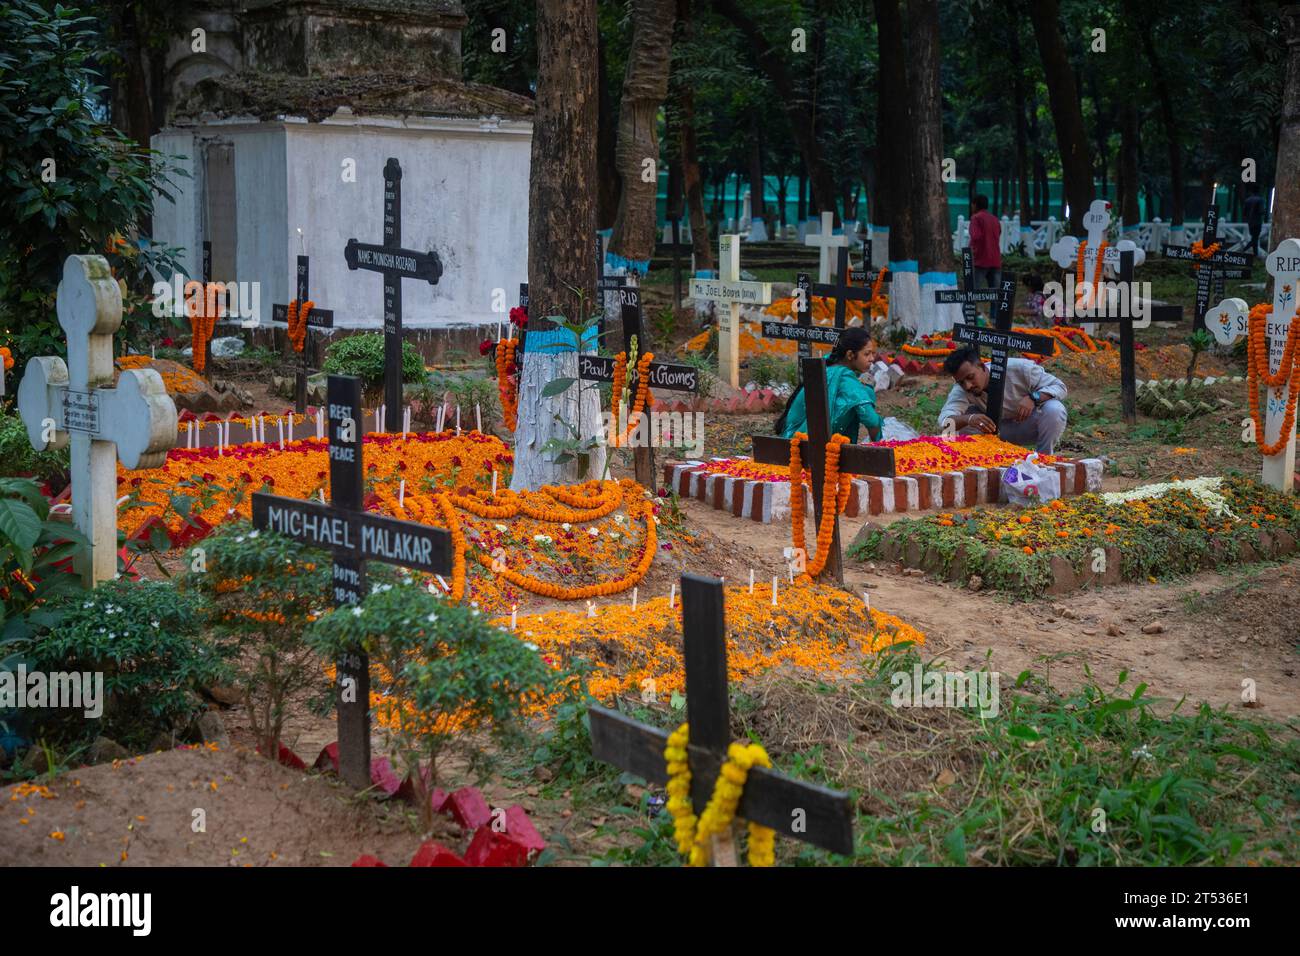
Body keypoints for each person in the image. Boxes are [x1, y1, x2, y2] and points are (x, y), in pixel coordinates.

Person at [938, 344, 1068, 454]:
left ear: (982, 367)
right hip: (994, 431)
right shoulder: (961, 389)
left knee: (1054, 409)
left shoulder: (1019, 368)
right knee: (963, 420)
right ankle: (984, 459)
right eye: (961, 382)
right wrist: (969, 419)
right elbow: (944, 421)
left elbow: (1060, 387)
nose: (967, 385)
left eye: (971, 377)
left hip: (1027, 426)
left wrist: (1033, 397)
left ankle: (1044, 459)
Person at [776, 327, 884, 442]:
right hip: (800, 442)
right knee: (864, 394)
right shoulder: (843, 376)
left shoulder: (828, 363)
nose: (872, 359)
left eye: (873, 353)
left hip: (791, 436)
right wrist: (879, 446)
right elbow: (872, 421)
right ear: (850, 355)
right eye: (866, 354)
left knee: (862, 391)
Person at [968, 194, 1002, 292]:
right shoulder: (995, 219)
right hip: (995, 260)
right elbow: (999, 233)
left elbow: (975, 236)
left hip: (980, 260)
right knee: (995, 294)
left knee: (972, 292)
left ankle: (970, 308)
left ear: (975, 205)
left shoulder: (976, 218)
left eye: (972, 204)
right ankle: (994, 308)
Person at [1243, 185, 1265, 256]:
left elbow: (1244, 213)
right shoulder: (1260, 200)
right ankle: (1244, 249)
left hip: (1250, 222)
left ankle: (1255, 255)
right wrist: (1264, 211)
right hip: (1257, 222)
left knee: (1254, 238)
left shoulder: (1247, 200)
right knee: (1255, 239)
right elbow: (1261, 211)